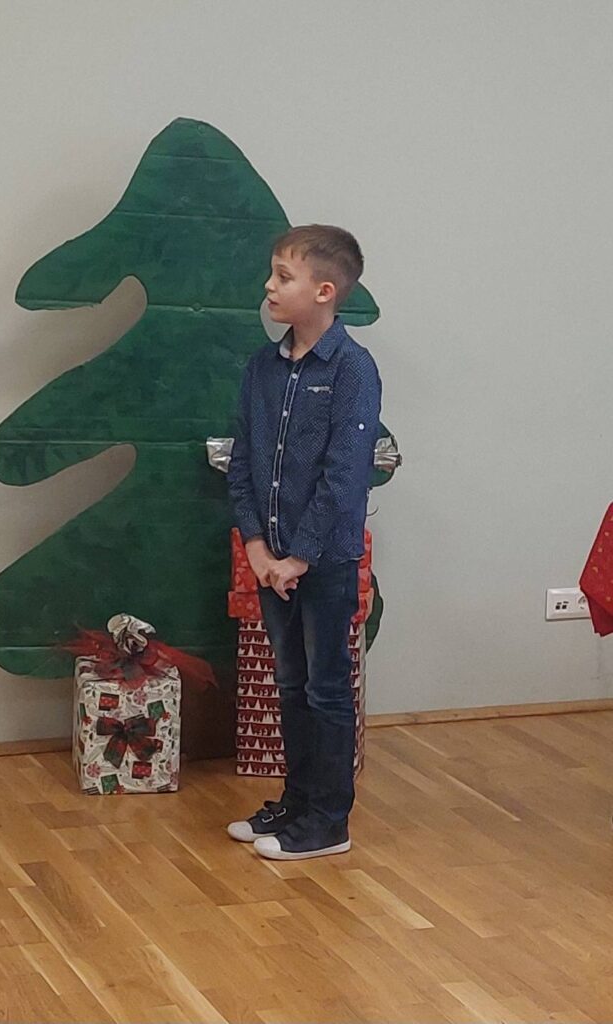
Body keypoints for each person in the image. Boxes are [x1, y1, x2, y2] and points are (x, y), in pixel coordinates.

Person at [226, 224, 382, 860]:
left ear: (324, 291)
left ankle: (328, 821)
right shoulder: (261, 368)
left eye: (283, 276)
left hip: (324, 561)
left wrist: (299, 556)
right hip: (272, 562)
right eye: (272, 272)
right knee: (289, 683)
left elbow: (344, 475)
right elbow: (243, 463)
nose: (269, 286)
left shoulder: (352, 369)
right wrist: (257, 548)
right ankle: (296, 802)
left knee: (326, 687)